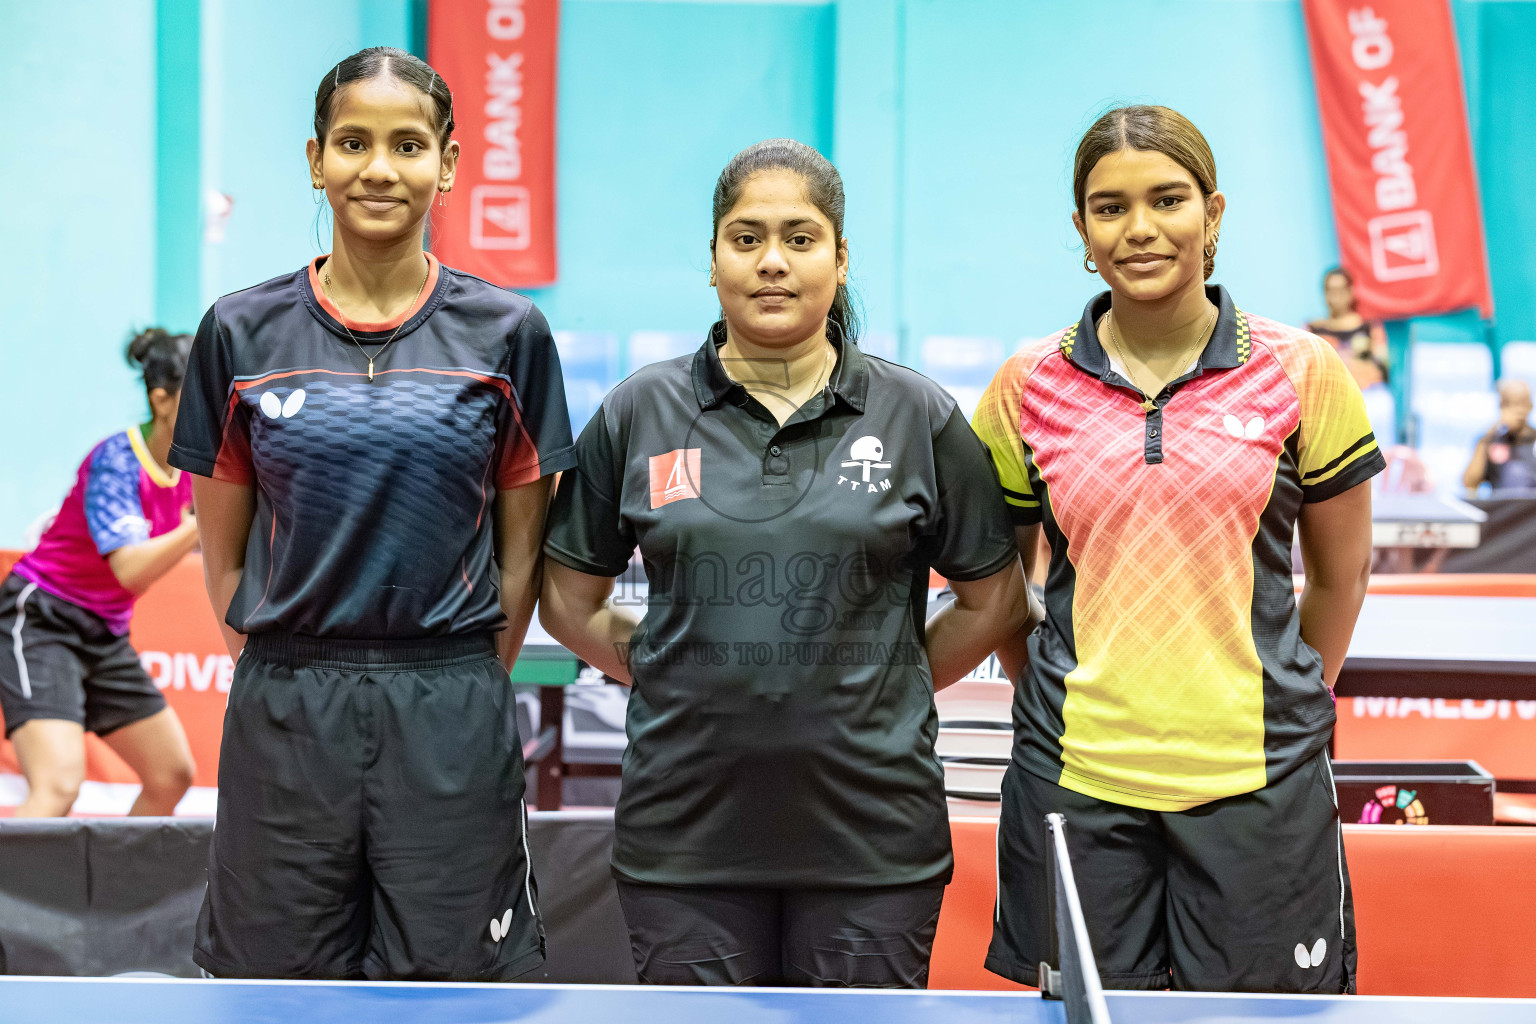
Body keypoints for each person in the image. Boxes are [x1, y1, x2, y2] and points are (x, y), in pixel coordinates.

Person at [539, 138, 1026, 988]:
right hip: (683, 847)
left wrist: (889, 679)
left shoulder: (917, 415)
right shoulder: (639, 410)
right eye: (747, 238)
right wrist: (667, 666)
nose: (772, 262)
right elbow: (568, 600)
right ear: (714, 259)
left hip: (874, 848)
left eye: (800, 239)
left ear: (840, 258)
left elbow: (995, 601)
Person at [169, 48, 574, 981]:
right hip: (285, 708)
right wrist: (284, 668)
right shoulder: (238, 330)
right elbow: (222, 552)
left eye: (407, 145)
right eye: (353, 143)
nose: (379, 169)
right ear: (317, 160)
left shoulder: (509, 334)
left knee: (457, 991)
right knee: (272, 989)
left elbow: (522, 556)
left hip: (449, 708)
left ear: (449, 163)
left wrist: (462, 681)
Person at [975, 106, 1384, 993]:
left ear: (1213, 211)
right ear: (1082, 228)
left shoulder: (1303, 370)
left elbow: (1342, 574)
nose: (1141, 228)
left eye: (1167, 199)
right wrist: (1052, 689)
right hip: (1074, 778)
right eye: (1110, 207)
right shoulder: (1025, 385)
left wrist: (1282, 698)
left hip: (1261, 780)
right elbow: (997, 586)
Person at [0, 329, 199, 817]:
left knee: (171, 776)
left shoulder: (195, 470)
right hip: (42, 619)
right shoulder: (117, 461)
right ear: (162, 400)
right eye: (202, 395)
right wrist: (201, 526)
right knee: (58, 788)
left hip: (105, 633)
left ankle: (125, 873)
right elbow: (130, 569)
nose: (217, 410)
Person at [1463, 378, 1536, 494]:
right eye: (1512, 404)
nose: (1519, 411)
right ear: (1501, 407)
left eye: (1524, 403)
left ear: (1530, 406)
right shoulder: (1490, 441)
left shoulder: (1534, 440)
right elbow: (1470, 483)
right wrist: (1487, 440)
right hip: (1501, 504)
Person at [1308, 267, 1388, 365]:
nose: (1336, 297)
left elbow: (1382, 364)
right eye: (1330, 291)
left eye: (1340, 290)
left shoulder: (1371, 327)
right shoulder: (1313, 331)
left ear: (1351, 291)